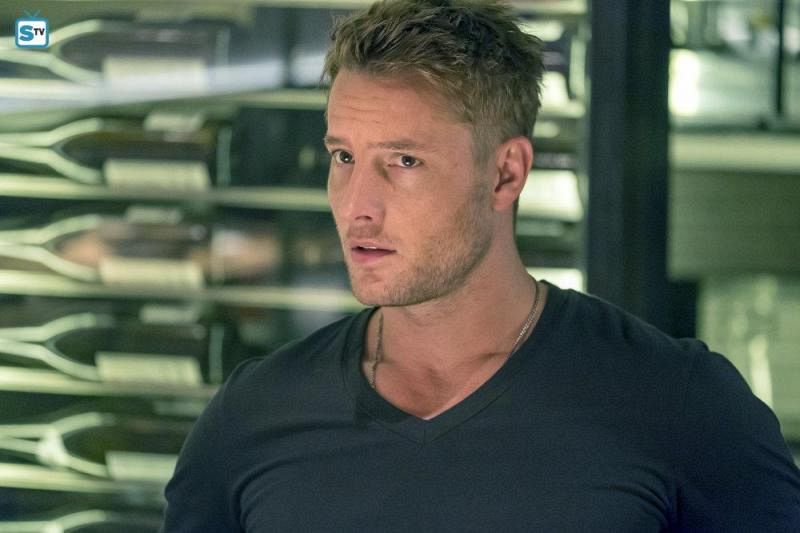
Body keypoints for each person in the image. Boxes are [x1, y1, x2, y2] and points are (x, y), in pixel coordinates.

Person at [161, 1, 800, 530]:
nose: (358, 206)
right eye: (344, 158)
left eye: (404, 162)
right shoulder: (253, 417)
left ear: (505, 174)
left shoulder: (681, 407)